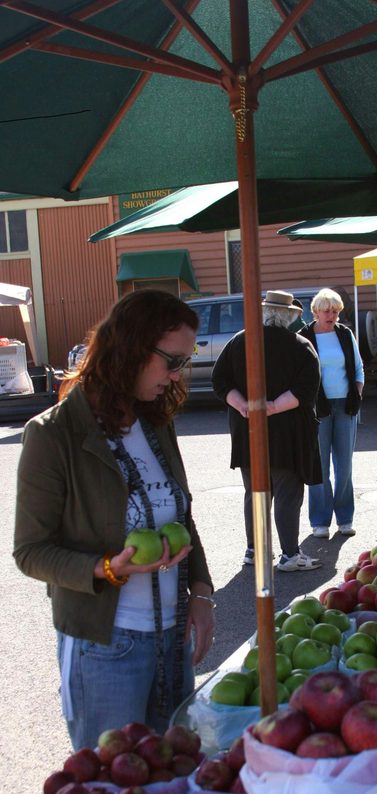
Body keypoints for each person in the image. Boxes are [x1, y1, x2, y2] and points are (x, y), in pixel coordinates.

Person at [13, 289, 215, 750]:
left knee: (170, 779)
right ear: (131, 348)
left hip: (172, 640)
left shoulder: (155, 422)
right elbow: (30, 552)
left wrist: (201, 593)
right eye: (172, 361)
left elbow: (182, 513)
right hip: (106, 646)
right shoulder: (52, 434)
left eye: (185, 362)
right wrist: (108, 568)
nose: (178, 374)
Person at [212, 289, 322, 571]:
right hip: (288, 433)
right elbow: (306, 390)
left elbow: (219, 380)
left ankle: (255, 551)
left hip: (248, 431)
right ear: (289, 316)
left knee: (256, 492)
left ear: (263, 312)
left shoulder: (238, 341)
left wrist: (245, 406)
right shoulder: (301, 345)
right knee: (287, 492)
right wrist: (270, 406)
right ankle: (289, 555)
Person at [299, 287, 364, 538]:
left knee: (344, 465)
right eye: (327, 310)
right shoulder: (303, 337)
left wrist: (356, 394)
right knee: (319, 466)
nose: (332, 315)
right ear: (315, 311)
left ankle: (345, 518)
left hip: (345, 406)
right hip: (316, 408)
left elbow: (358, 369)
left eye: (335, 310)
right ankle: (320, 520)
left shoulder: (346, 334)